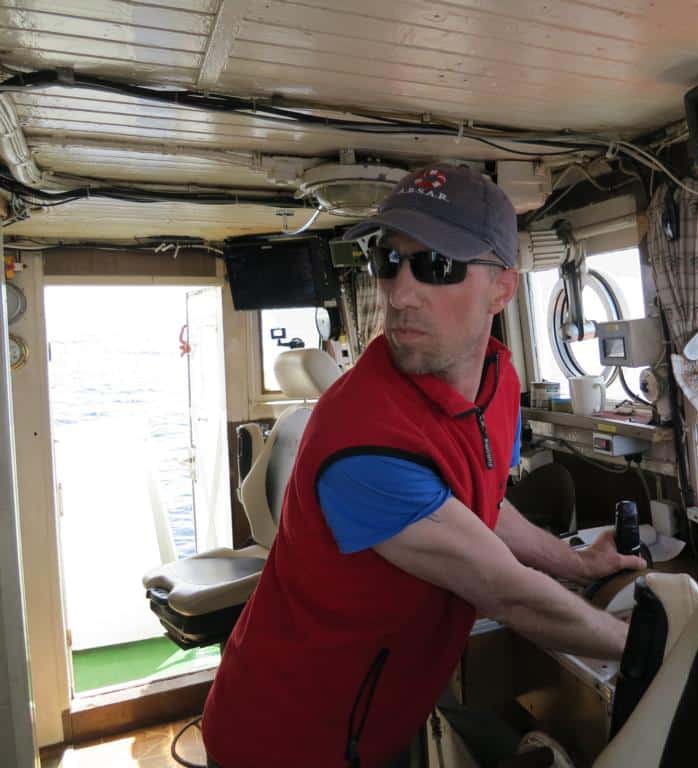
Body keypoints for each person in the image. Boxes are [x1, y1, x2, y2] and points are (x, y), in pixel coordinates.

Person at [201, 164, 646, 768]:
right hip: (288, 736)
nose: (399, 292)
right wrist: (652, 648)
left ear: (502, 290)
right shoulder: (361, 440)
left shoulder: (498, 378)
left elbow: (479, 507)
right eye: (390, 261)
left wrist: (579, 562)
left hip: (381, 709)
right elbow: (508, 594)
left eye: (436, 266)